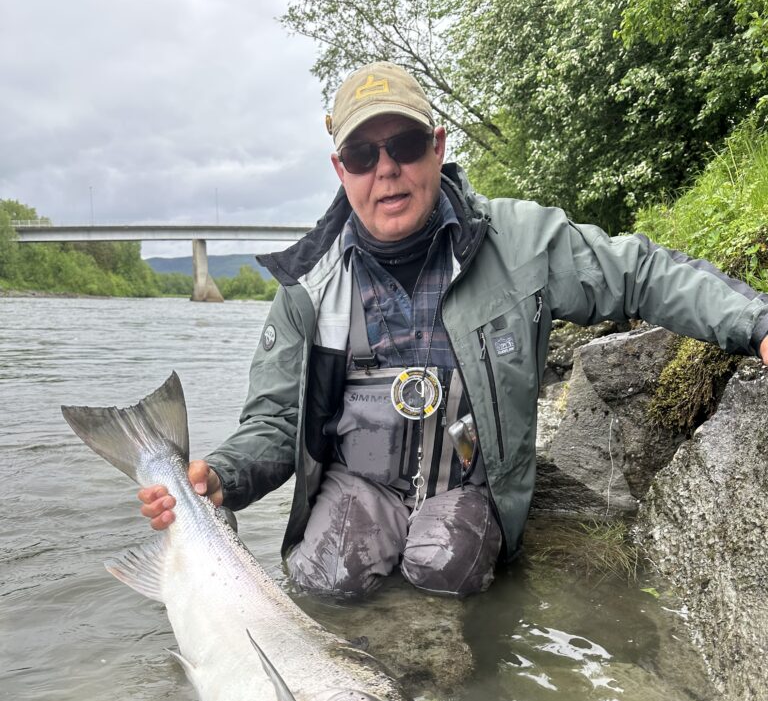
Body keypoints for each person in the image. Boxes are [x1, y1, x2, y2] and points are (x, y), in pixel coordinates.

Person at [139, 61, 768, 598]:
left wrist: (756, 322)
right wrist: (222, 476)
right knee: (323, 582)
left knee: (448, 569)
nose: (386, 169)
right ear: (340, 169)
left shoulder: (522, 244)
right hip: (356, 485)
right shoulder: (308, 286)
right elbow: (277, 421)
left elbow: (639, 273)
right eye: (362, 154)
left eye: (405, 145)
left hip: (466, 489)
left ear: (438, 147)